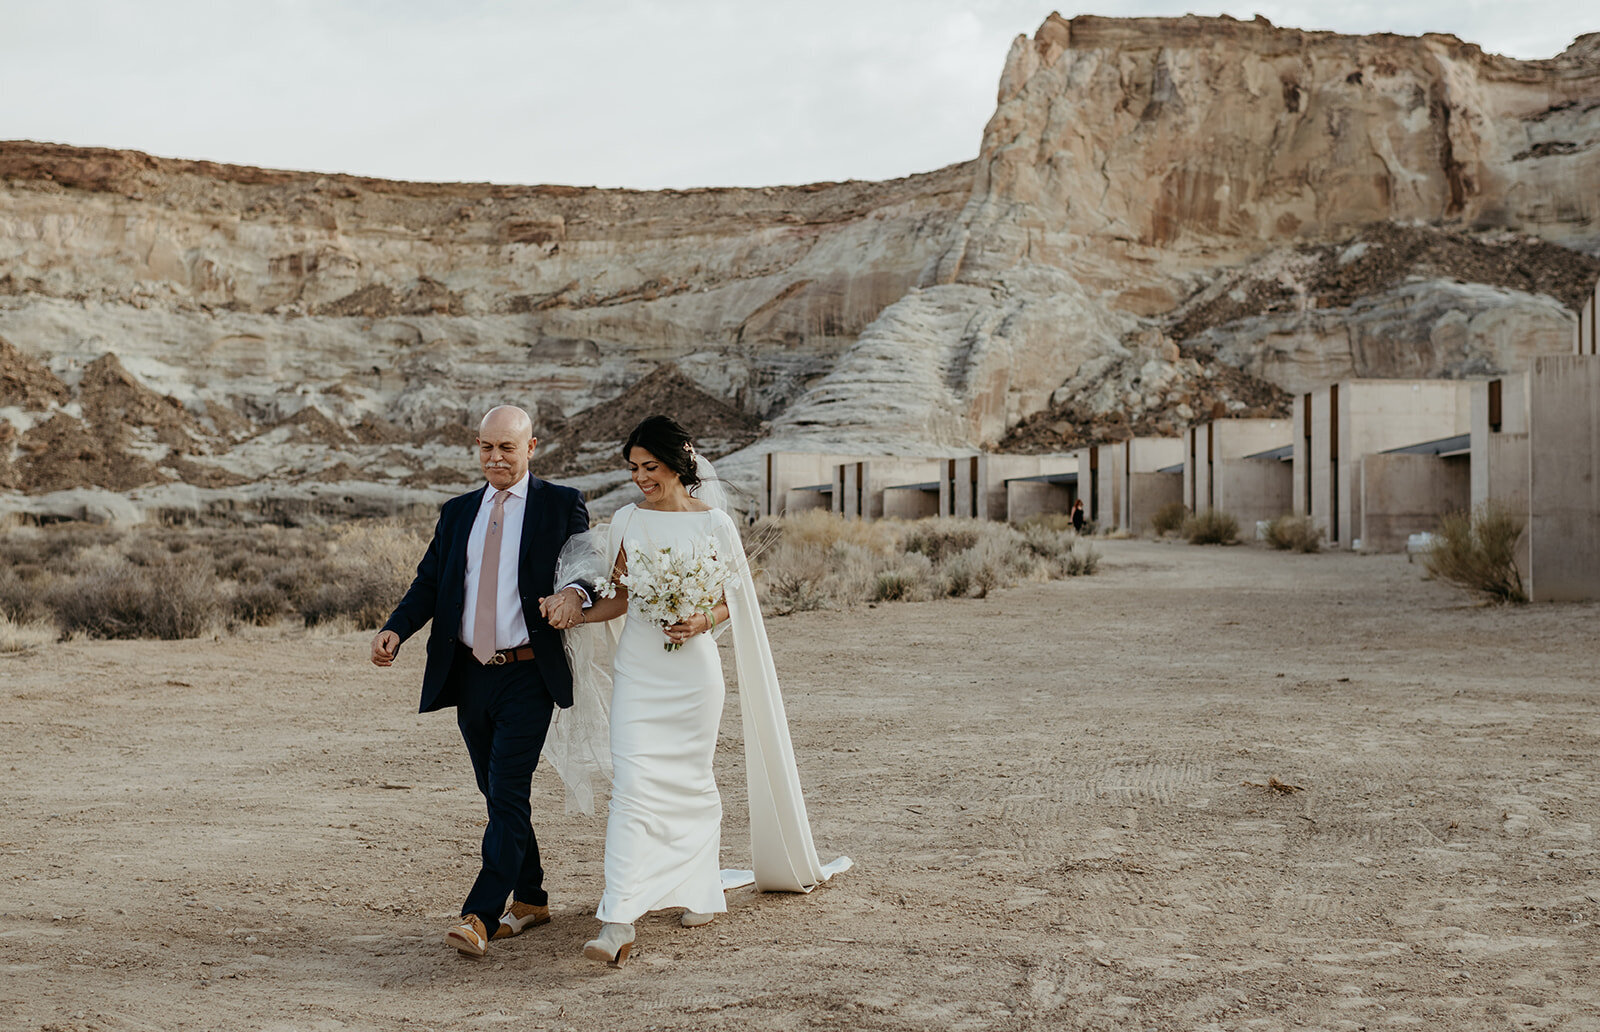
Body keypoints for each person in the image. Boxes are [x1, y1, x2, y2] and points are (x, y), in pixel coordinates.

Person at [562, 416, 847, 967]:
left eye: (649, 467)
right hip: (640, 673)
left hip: (693, 675)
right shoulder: (626, 519)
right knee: (632, 784)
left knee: (692, 781)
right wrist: (574, 612)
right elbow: (621, 598)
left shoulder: (714, 524)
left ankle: (699, 887)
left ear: (678, 463)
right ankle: (617, 919)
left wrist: (700, 620)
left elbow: (733, 601)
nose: (641, 478)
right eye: (633, 469)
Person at [369, 405, 592, 958]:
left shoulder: (561, 503)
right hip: (469, 672)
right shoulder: (458, 511)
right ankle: (533, 897)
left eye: (507, 449)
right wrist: (397, 629)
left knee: (509, 788)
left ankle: (481, 914)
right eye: (486, 448)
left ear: (531, 447)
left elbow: (586, 565)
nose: (495, 458)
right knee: (497, 793)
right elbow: (429, 581)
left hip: (527, 674)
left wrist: (576, 595)